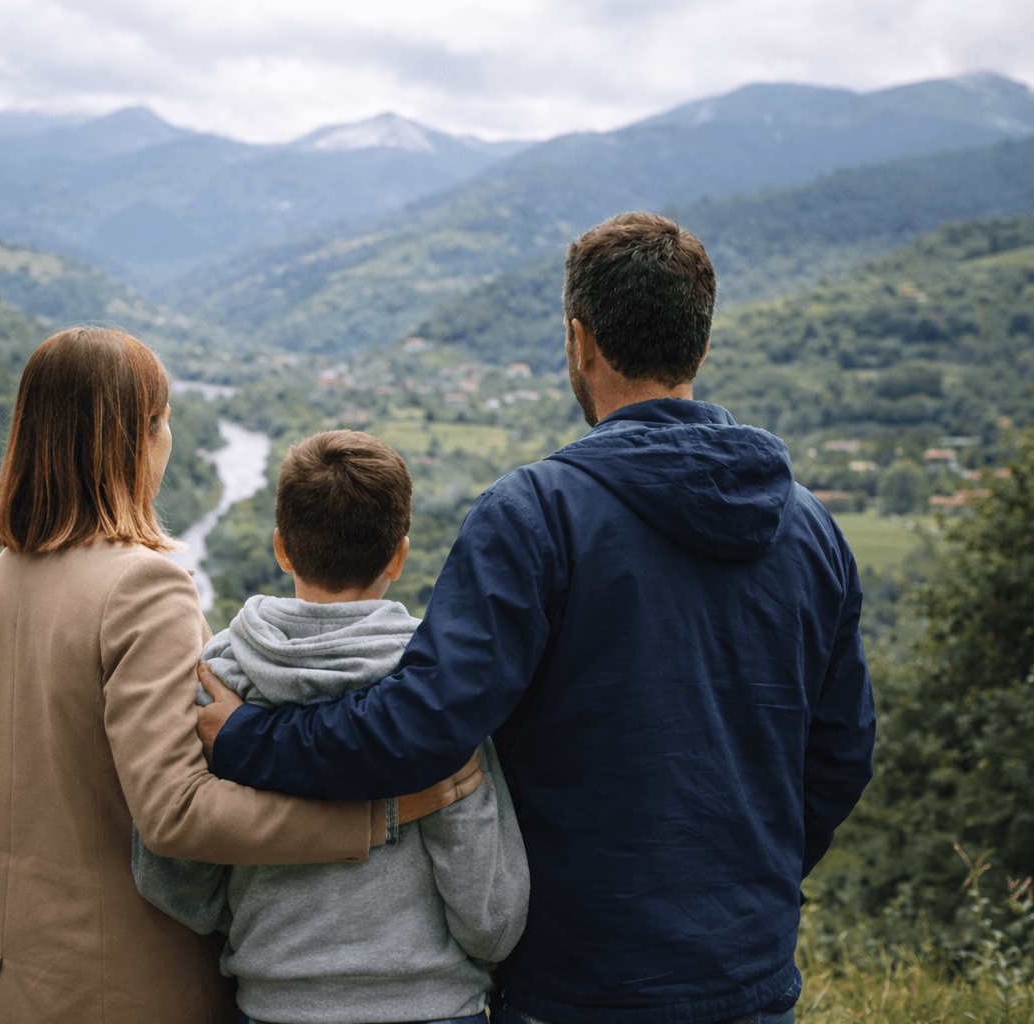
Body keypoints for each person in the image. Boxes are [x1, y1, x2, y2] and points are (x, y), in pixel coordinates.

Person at [196, 213, 877, 1024]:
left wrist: (247, 740)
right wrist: (752, 874)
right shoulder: (811, 530)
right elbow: (841, 754)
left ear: (579, 341)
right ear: (699, 344)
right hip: (749, 975)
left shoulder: (538, 515)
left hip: (576, 979)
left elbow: (424, 727)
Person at [0, 327, 483, 1024]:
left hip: (8, 978)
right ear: (134, 439)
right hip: (122, 983)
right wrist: (372, 818)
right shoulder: (141, 585)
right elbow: (176, 812)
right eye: (163, 420)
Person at [133, 430, 530, 1024]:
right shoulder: (436, 688)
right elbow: (491, 920)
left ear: (281, 548)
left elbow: (177, 882)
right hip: (433, 1007)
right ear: (399, 554)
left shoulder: (220, 680)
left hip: (274, 1004)